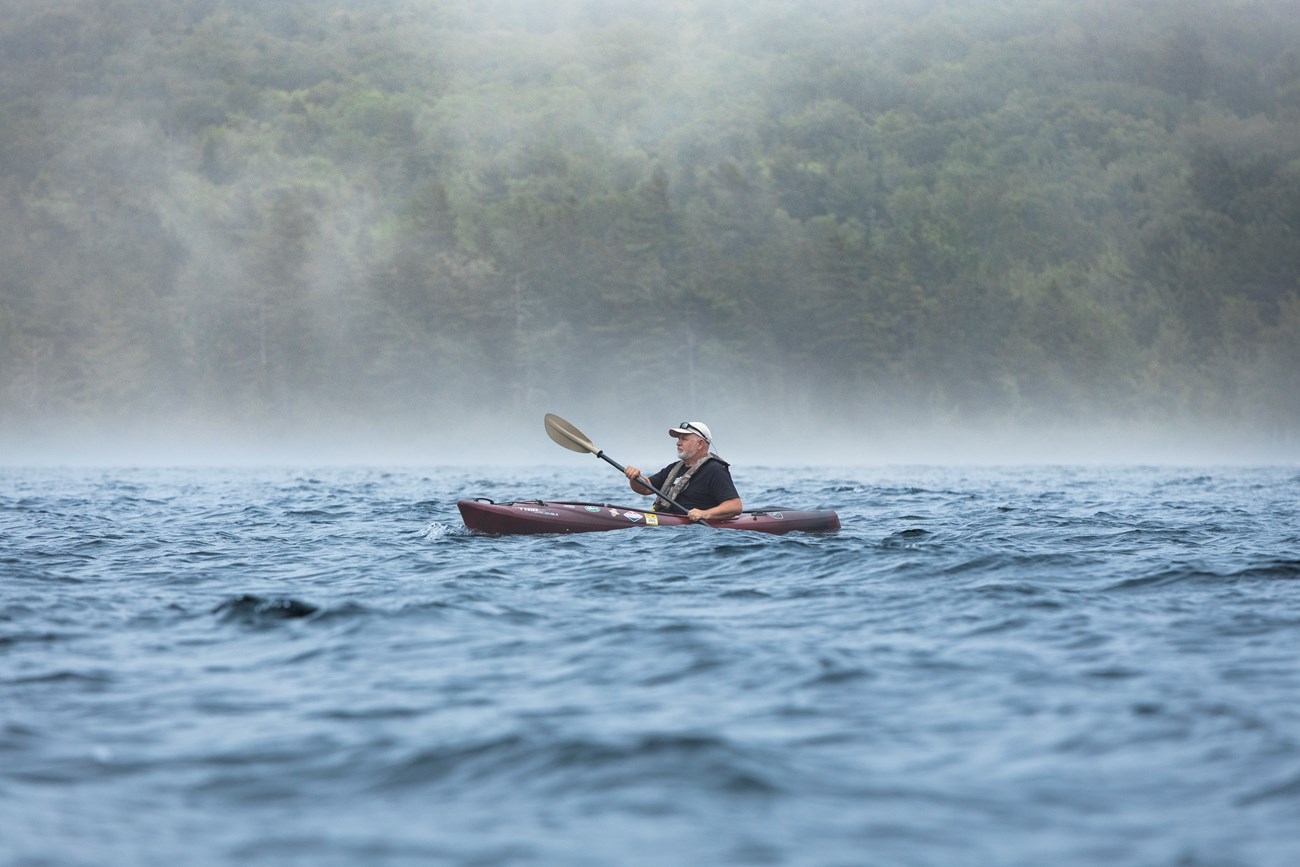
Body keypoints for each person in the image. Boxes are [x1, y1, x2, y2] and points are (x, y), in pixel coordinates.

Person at [624, 421, 743, 522]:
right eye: (678, 439)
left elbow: (735, 506)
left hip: (694, 533)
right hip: (667, 526)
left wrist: (704, 514)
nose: (678, 443)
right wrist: (635, 478)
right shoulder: (674, 468)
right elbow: (645, 488)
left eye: (684, 439)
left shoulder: (715, 470)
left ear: (700, 444)